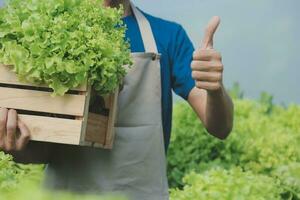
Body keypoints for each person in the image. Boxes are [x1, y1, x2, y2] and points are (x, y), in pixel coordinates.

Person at [0, 0, 233, 199]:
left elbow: (220, 127)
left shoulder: (168, 36)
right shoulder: (46, 32)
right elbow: (44, 150)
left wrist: (215, 89)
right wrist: (16, 147)